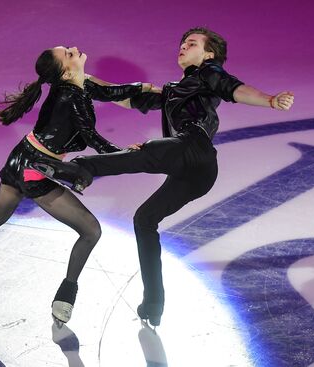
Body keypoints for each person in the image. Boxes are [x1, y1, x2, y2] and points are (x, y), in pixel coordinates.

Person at [32, 28, 295, 326]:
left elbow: (235, 89)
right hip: (192, 172)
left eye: (192, 43)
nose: (184, 46)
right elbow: (123, 96)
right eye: (183, 42)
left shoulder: (209, 73)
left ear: (208, 54)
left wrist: (270, 100)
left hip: (196, 152)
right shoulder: (170, 91)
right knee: (144, 219)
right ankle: (153, 304)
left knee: (152, 149)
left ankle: (82, 170)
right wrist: (80, 76)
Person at [0, 45, 152, 326]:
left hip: (21, 156)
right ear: (65, 69)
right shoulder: (70, 95)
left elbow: (111, 92)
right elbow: (92, 138)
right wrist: (129, 155)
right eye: (68, 53)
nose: (74, 48)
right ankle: (66, 294)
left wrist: (144, 87)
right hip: (35, 170)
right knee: (90, 230)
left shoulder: (79, 82)